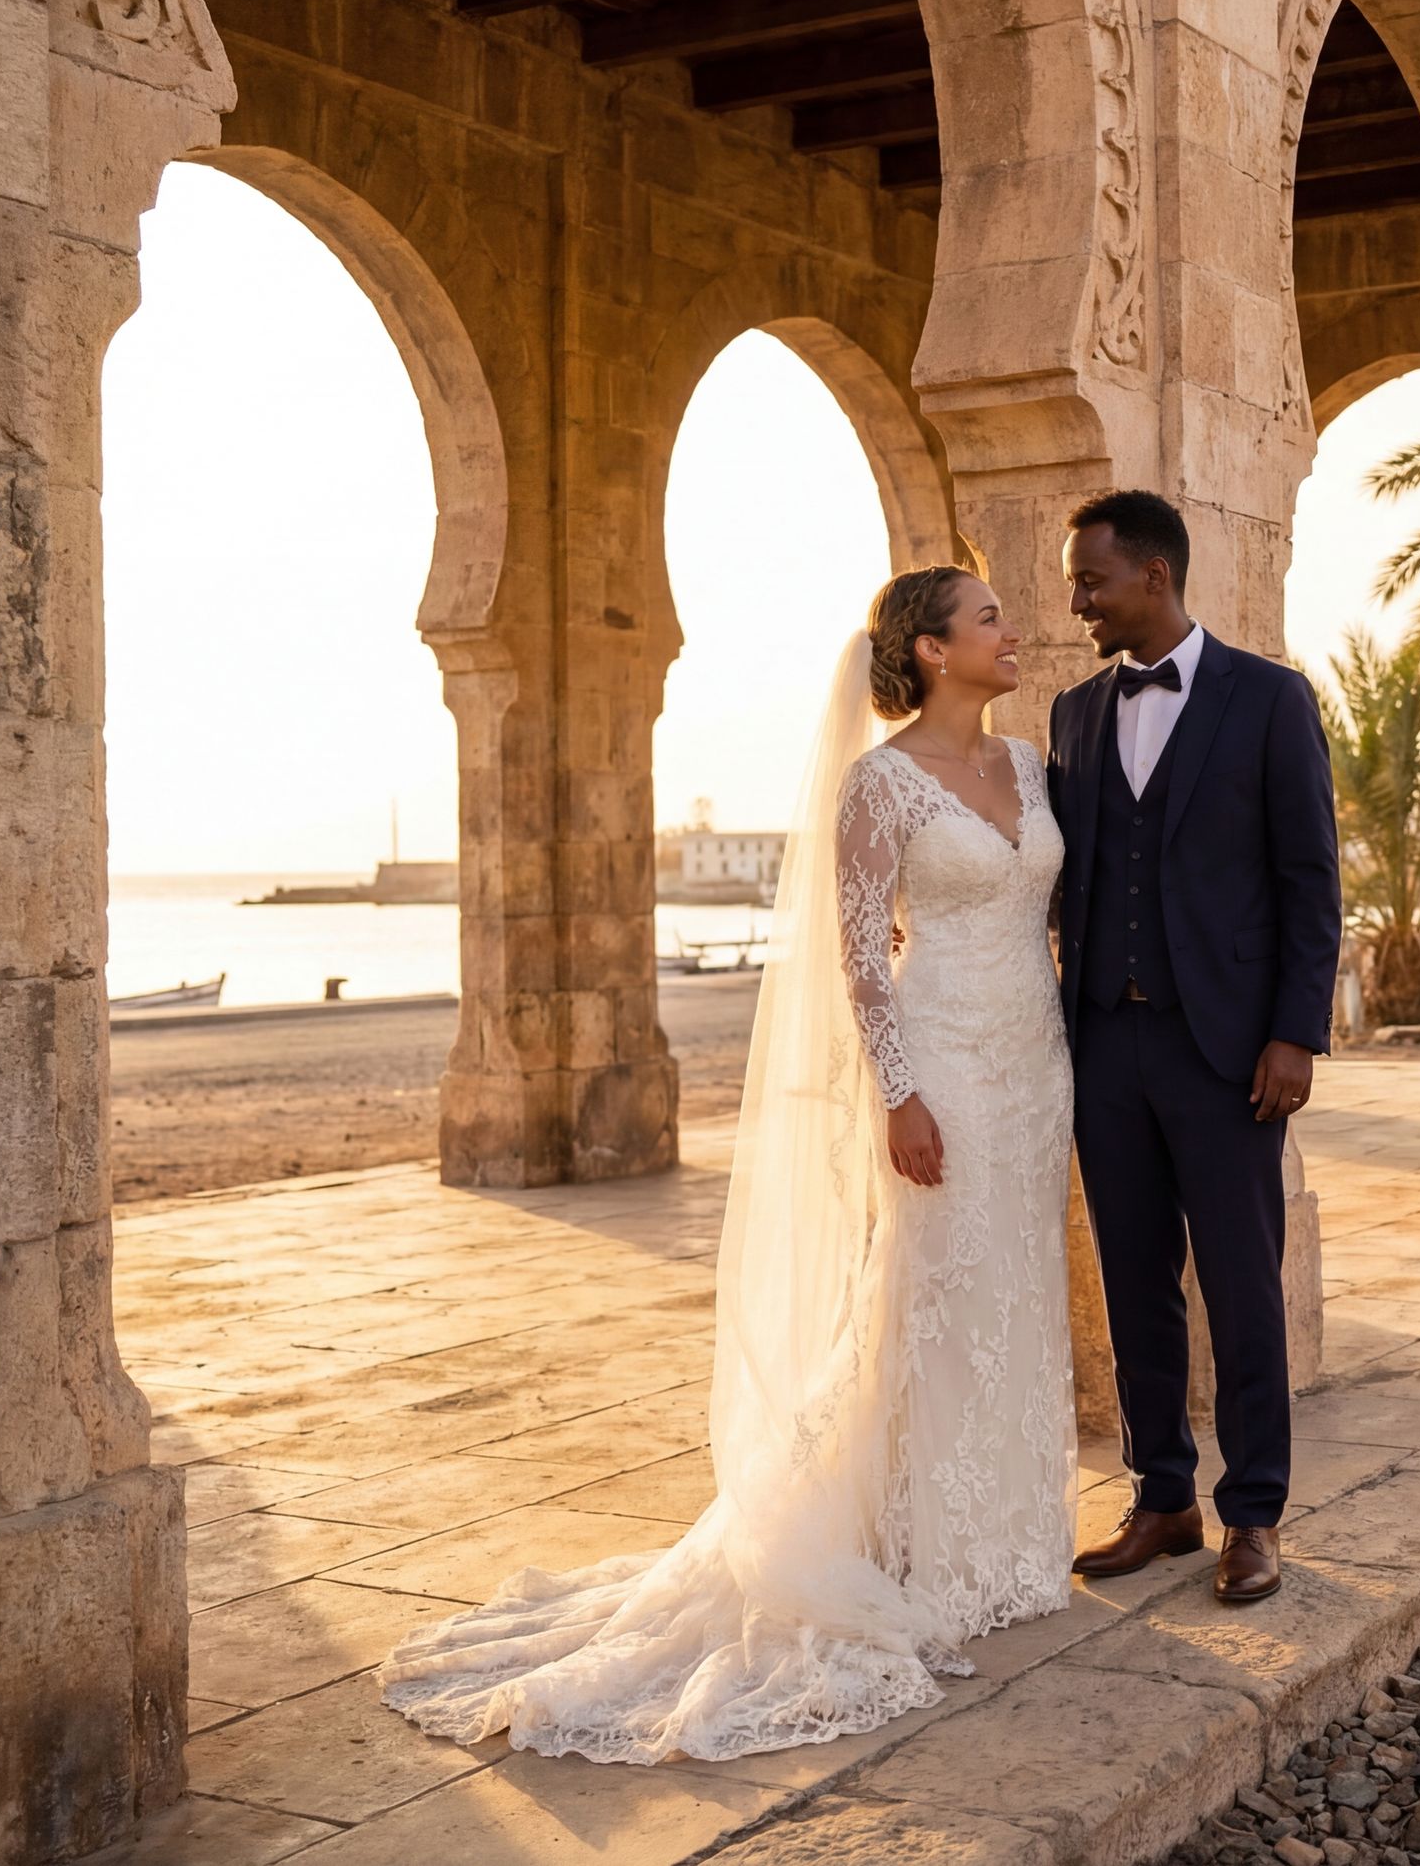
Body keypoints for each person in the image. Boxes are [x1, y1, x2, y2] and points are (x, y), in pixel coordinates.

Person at [379, 566, 1078, 1762]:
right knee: (939, 1293)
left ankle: (1010, 1544)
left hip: (1035, 1063)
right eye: (988, 619)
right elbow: (861, 958)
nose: (1012, 631)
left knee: (1018, 1287)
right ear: (930, 648)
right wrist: (899, 1093)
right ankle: (920, 1548)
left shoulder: (1030, 767)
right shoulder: (881, 783)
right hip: (943, 1066)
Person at [1048, 490, 1341, 1604]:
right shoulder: (1075, 713)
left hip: (1227, 1052)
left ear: (1154, 575)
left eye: (1092, 581)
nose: (1078, 602)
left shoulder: (1268, 698)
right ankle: (1162, 1496)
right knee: (1133, 1285)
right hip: (1105, 1047)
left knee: (1241, 1286)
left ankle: (1253, 1512)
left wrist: (1294, 1033)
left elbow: (1310, 878)